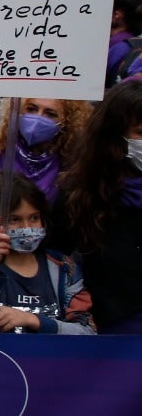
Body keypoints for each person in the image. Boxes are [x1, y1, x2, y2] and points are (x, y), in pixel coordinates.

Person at [0, 172, 93, 334]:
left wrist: (35, 321)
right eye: (15, 220)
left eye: (34, 218)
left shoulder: (65, 267)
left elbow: (87, 332)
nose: (26, 227)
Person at [58, 80, 142, 333]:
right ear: (114, 136)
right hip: (111, 331)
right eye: (141, 131)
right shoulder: (80, 192)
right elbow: (53, 253)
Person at [0, 97, 88, 240]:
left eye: (50, 114)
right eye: (31, 109)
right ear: (17, 111)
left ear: (65, 123)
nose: (37, 118)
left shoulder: (69, 168)